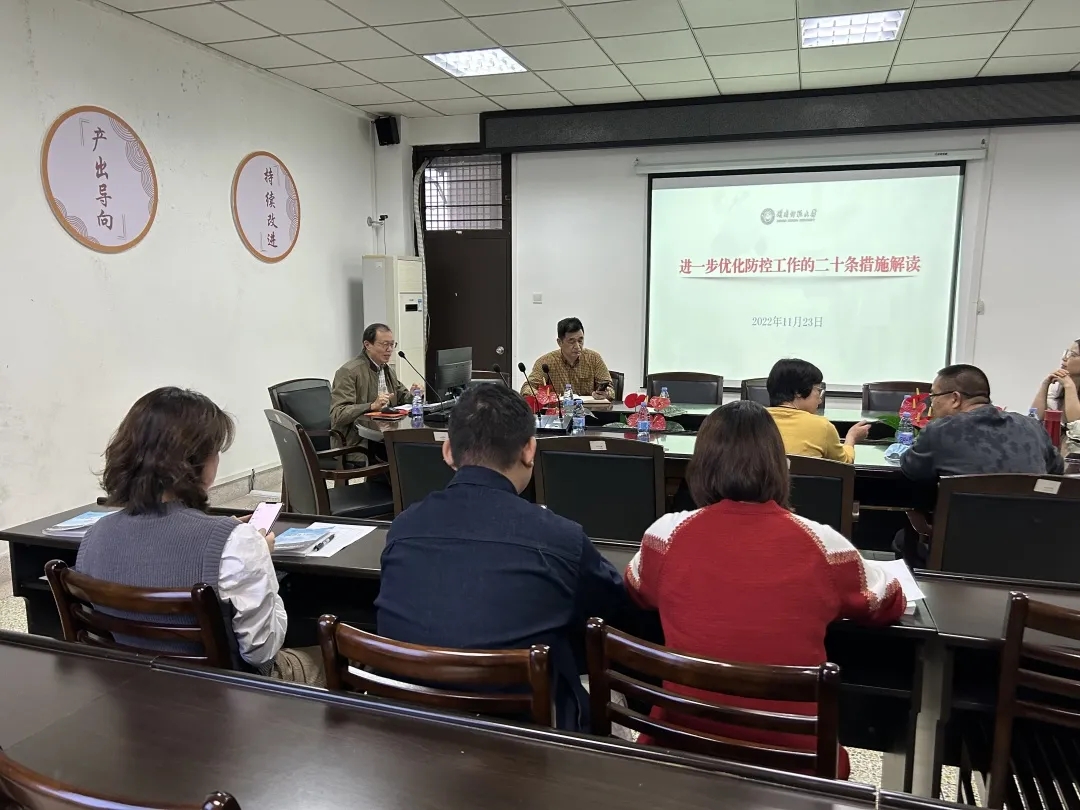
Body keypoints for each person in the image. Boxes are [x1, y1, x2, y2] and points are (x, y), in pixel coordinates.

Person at [624, 401, 905, 777]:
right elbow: (888, 601)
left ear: (699, 467)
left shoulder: (664, 535)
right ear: (781, 466)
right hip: (798, 764)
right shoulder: (825, 545)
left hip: (681, 748)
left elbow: (636, 587)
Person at [375, 383, 629, 730]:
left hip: (408, 732)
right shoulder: (561, 537)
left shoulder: (402, 528)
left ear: (448, 452)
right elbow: (616, 616)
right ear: (529, 450)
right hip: (527, 744)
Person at [76, 387, 323, 685]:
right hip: (228, 694)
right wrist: (260, 557)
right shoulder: (240, 543)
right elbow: (261, 652)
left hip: (131, 689)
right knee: (340, 656)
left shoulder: (94, 536)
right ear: (196, 462)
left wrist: (224, 535)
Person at [902, 364, 1064, 482]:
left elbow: (913, 471)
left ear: (955, 398)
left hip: (964, 520)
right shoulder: (1032, 427)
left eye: (933, 396)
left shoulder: (941, 431)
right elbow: (1056, 471)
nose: (932, 403)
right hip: (1031, 519)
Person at [765, 358, 870, 463]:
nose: (820, 400)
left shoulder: (757, 421)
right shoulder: (822, 426)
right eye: (818, 391)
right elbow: (845, 466)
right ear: (798, 392)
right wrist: (851, 437)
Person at [330, 323, 411, 450]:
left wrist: (414, 395)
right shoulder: (349, 372)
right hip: (357, 443)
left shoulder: (387, 370)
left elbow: (401, 397)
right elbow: (338, 414)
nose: (389, 349)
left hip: (385, 437)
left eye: (392, 344)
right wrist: (371, 406)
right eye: (385, 344)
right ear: (367, 345)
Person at [521, 317, 614, 400]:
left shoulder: (594, 358)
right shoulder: (546, 362)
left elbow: (611, 390)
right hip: (557, 410)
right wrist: (541, 395)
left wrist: (605, 393)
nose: (577, 346)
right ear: (559, 342)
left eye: (580, 340)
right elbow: (527, 388)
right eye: (571, 341)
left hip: (589, 411)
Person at [1031, 338, 1080, 457]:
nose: (1065, 358)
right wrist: (1045, 385)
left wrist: (1069, 386)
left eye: (1073, 355)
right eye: (1066, 353)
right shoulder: (1057, 388)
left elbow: (1077, 428)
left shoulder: (1067, 385)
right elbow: (1033, 418)